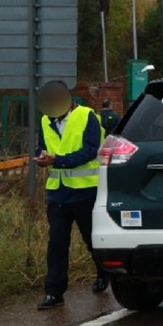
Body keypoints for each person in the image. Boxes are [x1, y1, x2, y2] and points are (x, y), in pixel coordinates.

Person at [32, 81, 108, 309]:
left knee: (92, 239)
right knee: (57, 243)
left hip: (85, 191)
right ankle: (54, 292)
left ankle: (105, 273)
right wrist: (42, 156)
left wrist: (59, 160)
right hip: (58, 193)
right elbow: (42, 146)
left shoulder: (88, 117)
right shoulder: (46, 120)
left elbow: (91, 150)